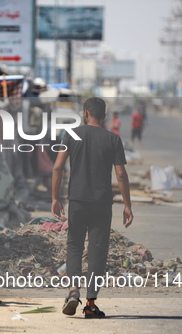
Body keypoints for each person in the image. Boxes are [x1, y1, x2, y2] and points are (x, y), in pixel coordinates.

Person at [51, 97, 133, 318]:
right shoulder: (113, 139)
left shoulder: (71, 134)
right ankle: (91, 304)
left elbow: (58, 168)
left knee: (74, 245)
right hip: (102, 203)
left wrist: (55, 197)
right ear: (104, 116)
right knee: (97, 251)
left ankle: (73, 291)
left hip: (77, 200)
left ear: (85, 113)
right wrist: (127, 205)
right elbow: (121, 174)